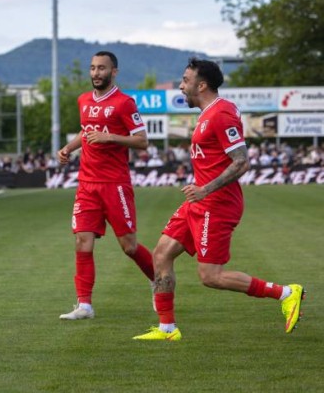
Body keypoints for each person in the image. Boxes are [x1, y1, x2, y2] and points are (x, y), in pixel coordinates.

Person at [133, 58, 304, 341]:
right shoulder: (207, 113)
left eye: (185, 81)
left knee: (211, 276)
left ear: (201, 85)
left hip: (217, 204)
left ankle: (286, 293)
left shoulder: (221, 114)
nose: (180, 85)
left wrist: (205, 189)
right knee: (161, 254)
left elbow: (241, 162)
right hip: (199, 202)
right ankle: (167, 329)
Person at [57, 51, 155, 320]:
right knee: (82, 241)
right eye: (92, 68)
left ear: (114, 72)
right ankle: (84, 305)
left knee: (129, 247)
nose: (96, 73)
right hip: (87, 184)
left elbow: (142, 140)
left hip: (115, 185)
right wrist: (68, 148)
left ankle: (158, 280)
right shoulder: (84, 100)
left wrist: (110, 137)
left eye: (102, 68)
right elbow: (86, 131)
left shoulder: (124, 103)